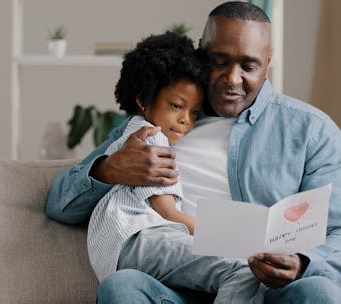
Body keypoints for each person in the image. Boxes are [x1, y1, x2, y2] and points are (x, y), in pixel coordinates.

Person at [45, 2, 341, 303]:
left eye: (248, 66)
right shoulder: (160, 120)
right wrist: (109, 170)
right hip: (173, 289)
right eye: (219, 61)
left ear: (268, 62)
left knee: (321, 292)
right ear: (201, 52)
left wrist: (300, 263)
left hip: (265, 291)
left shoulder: (311, 130)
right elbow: (60, 204)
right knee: (122, 286)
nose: (232, 79)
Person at [86, 31, 262, 304]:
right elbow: (167, 212)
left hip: (117, 249)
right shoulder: (150, 140)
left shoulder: (128, 135)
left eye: (193, 112)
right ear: (143, 100)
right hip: (142, 240)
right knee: (244, 271)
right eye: (177, 106)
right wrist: (226, 238)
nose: (185, 121)